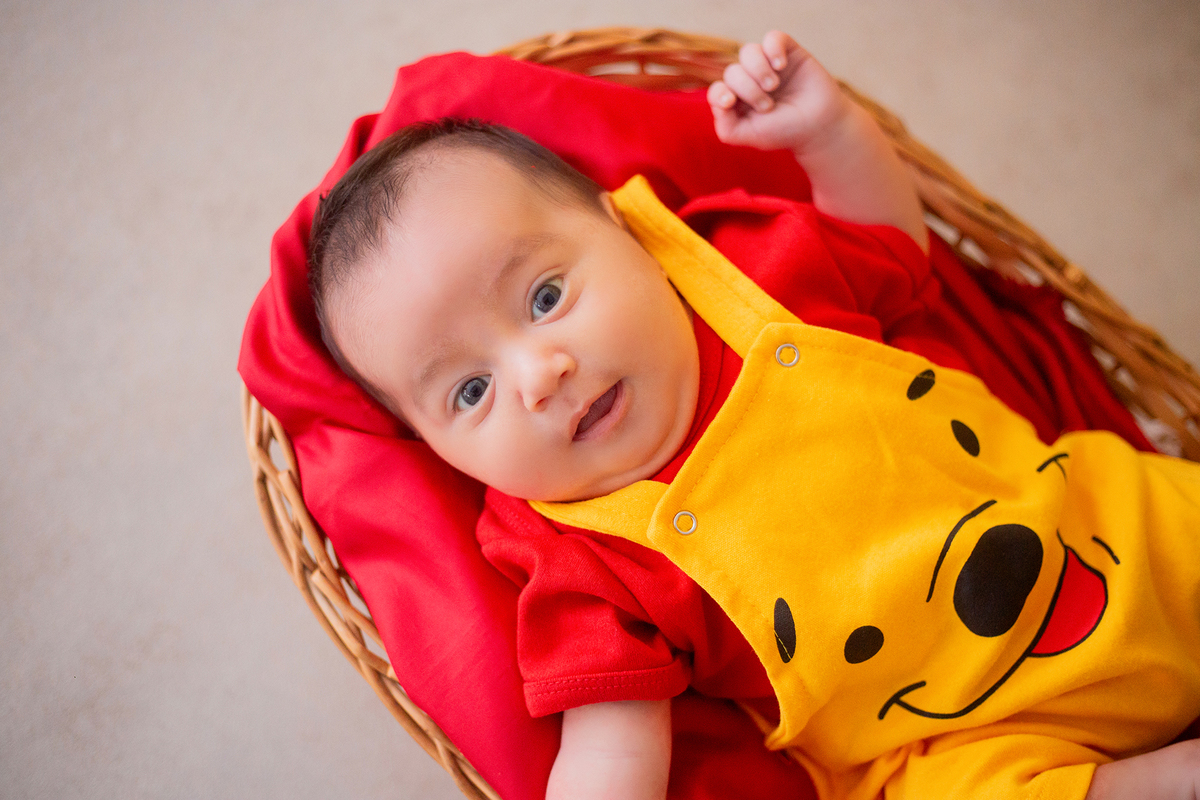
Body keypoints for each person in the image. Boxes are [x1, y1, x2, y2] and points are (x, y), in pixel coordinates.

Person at [307, 31, 1200, 800]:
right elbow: (612, 743)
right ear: (442, 455)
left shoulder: (753, 272)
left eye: (544, 296)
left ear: (630, 232)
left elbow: (896, 253)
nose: (540, 375)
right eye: (470, 391)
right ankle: (1150, 782)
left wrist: (831, 134)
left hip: (1105, 525)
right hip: (966, 737)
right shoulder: (578, 560)